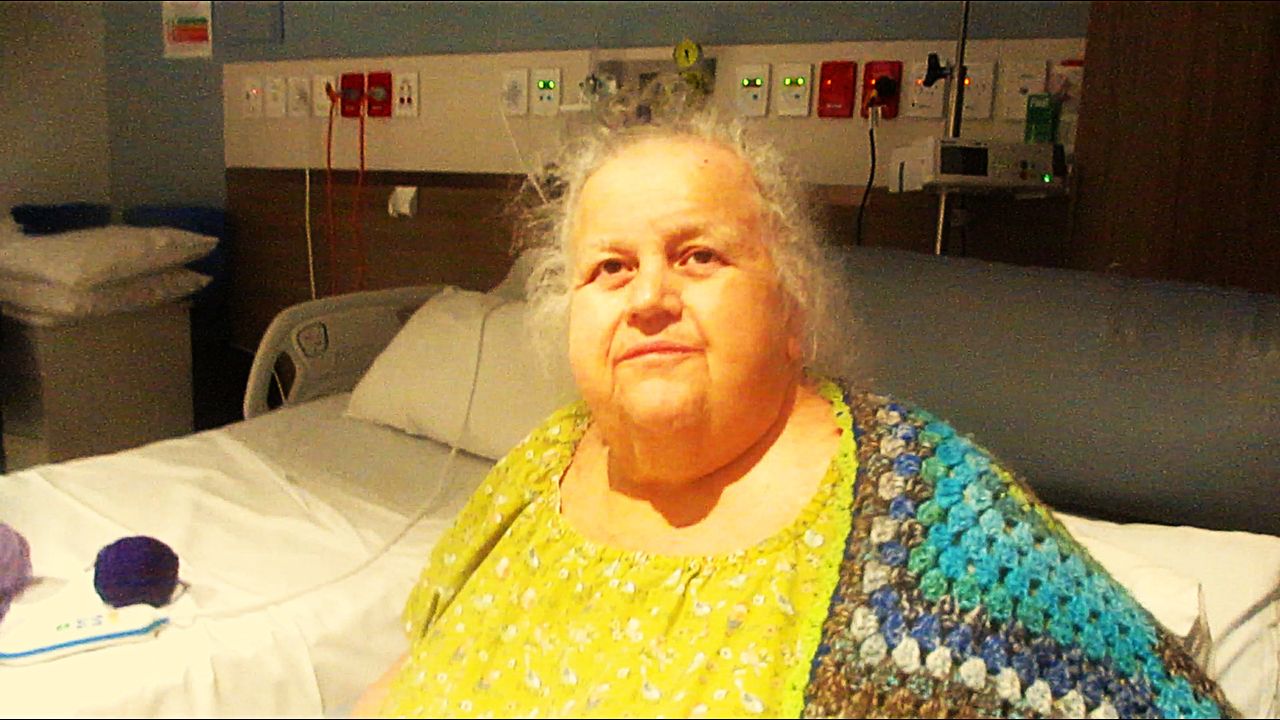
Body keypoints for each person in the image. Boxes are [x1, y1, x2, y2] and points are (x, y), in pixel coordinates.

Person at [353, 106, 1235, 718]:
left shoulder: (929, 519)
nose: (648, 297)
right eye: (610, 268)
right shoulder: (539, 468)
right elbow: (411, 671)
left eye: (698, 256)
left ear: (793, 310)